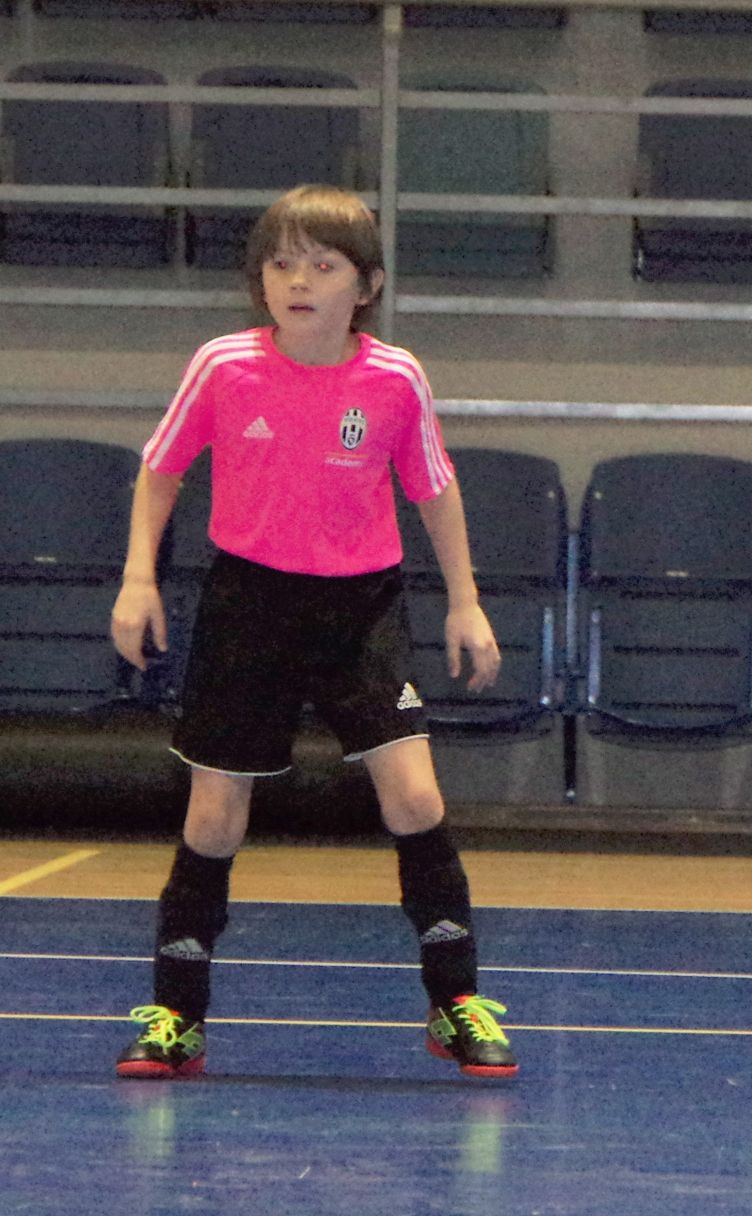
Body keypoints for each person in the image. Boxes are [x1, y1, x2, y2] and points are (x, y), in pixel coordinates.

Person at [108, 184, 518, 1081]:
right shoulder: (223, 366)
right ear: (259, 280)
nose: (299, 281)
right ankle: (177, 1014)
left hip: (359, 607)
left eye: (323, 266)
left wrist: (465, 600)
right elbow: (161, 468)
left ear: (364, 286)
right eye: (282, 264)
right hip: (249, 604)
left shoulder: (395, 378)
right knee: (215, 811)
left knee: (413, 797)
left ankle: (456, 1002)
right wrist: (139, 580)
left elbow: (434, 487)